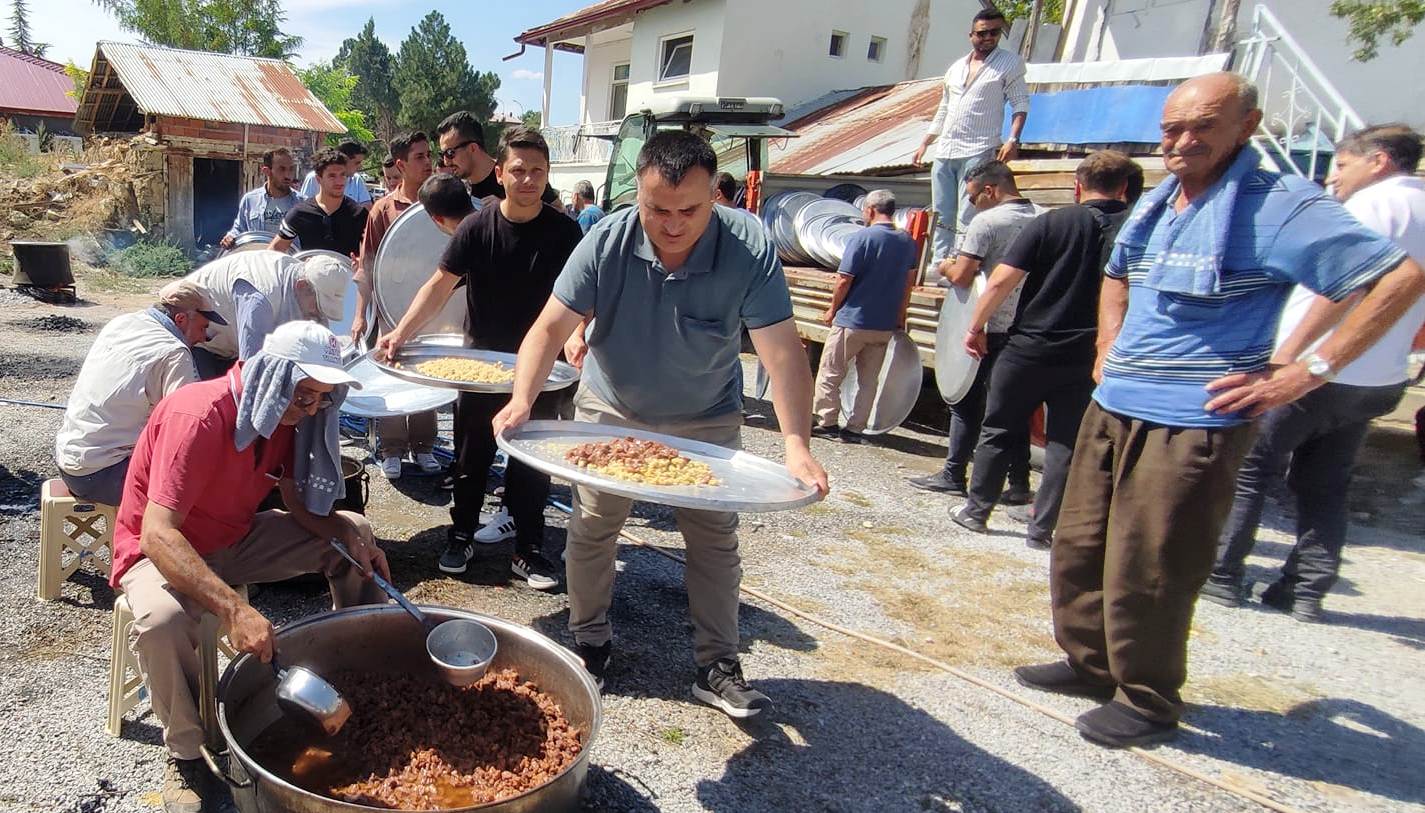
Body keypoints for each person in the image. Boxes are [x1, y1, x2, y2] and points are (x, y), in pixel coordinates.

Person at [1013, 73, 1425, 749]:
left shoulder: (1276, 204)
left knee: (1151, 563)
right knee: (1079, 543)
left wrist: (1305, 371)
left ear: (1246, 125)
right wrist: (1108, 342)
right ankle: (1089, 663)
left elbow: (1396, 277)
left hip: (1194, 414)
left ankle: (1146, 697)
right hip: (1117, 399)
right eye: (1171, 129)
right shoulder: (1159, 203)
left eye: (1201, 126)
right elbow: (1117, 271)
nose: (1181, 141)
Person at [490, 130, 829, 717]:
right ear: (637, 196)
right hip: (612, 410)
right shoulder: (606, 240)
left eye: (689, 211)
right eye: (657, 210)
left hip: (706, 417)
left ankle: (717, 664)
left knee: (714, 539)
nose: (672, 225)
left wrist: (796, 445)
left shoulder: (748, 246)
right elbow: (547, 329)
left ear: (714, 200)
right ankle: (590, 639)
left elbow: (781, 351)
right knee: (594, 527)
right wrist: (523, 399)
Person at [112, 321, 386, 813]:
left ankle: (361, 676)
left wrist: (347, 535)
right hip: (161, 549)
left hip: (233, 537)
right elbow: (158, 533)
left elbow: (297, 504)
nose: (310, 412)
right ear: (270, 377)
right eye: (303, 397)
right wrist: (235, 610)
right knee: (163, 620)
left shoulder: (279, 416)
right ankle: (188, 754)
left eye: (322, 400)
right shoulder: (200, 415)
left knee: (357, 536)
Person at [1203, 125, 1425, 621]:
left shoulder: (1374, 206)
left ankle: (1220, 574)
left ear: (1380, 161)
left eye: (1343, 165)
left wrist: (1291, 358)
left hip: (1317, 371)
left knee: (1249, 467)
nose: (1333, 178)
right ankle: (1305, 588)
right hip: (1378, 377)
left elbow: (1343, 286)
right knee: (1326, 482)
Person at [379, 129, 585, 589]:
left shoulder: (565, 232)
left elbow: (585, 295)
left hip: (544, 372)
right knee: (472, 458)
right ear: (500, 172)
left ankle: (527, 551)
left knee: (531, 462)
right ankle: (461, 535)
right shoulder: (478, 227)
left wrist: (579, 333)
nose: (527, 179)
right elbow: (438, 285)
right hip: (482, 366)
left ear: (547, 175)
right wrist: (400, 331)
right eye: (518, 170)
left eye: (537, 171)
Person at [949, 151, 1141, 548]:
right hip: (1089, 353)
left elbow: (1002, 280)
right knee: (1065, 442)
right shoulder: (1135, 230)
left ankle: (977, 510)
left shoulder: (1051, 222)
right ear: (1124, 189)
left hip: (1030, 344)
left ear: (1077, 185)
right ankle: (1042, 529)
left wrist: (975, 325)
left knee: (999, 426)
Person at [908, 160, 1036, 500]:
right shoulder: (1044, 217)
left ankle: (954, 474)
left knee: (964, 400)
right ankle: (1019, 483)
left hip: (984, 326)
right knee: (1013, 406)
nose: (970, 204)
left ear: (990, 190)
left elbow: (965, 275)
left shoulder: (988, 222)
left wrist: (946, 266)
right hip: (1026, 326)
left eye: (973, 196)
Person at [54, 282, 225, 505]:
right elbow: (185, 428)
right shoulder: (173, 352)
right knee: (208, 491)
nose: (204, 337)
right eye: (203, 328)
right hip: (106, 475)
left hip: (69, 461)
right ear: (181, 319)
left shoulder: (122, 322)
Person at [911, 8, 1029, 263]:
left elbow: (1020, 103)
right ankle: (939, 261)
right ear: (971, 35)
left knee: (969, 209)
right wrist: (925, 142)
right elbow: (944, 107)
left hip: (979, 146)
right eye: (982, 33)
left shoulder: (1010, 63)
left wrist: (1013, 139)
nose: (988, 38)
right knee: (942, 209)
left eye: (995, 33)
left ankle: (959, 260)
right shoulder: (956, 68)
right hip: (946, 148)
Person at [358, 132, 441, 480]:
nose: (428, 162)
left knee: (428, 377)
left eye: (429, 155)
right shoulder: (383, 209)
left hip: (433, 312)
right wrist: (360, 314)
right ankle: (392, 448)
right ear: (401, 164)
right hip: (391, 310)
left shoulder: (440, 203)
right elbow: (366, 264)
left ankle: (423, 446)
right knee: (392, 376)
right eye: (420, 157)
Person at [810, 189, 918, 442]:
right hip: (883, 324)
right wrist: (900, 317)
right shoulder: (907, 242)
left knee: (831, 373)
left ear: (870, 210)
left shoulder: (862, 238)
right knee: (868, 380)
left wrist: (832, 309)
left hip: (853, 320)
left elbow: (844, 280)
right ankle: (855, 428)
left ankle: (827, 423)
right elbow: (908, 284)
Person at [185, 250, 350, 377]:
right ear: (301, 287)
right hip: (197, 341)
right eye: (318, 305)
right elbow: (251, 371)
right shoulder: (260, 298)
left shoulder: (301, 279)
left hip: (232, 344)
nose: (318, 313)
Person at [435, 111, 559, 204]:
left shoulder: (517, 173)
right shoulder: (461, 190)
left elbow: (559, 213)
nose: (446, 161)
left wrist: (506, 211)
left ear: (473, 148)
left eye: (450, 153)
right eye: (443, 154)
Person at [271, 148, 369, 257]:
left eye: (343, 175)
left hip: (348, 272)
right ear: (318, 179)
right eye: (332, 176)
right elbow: (275, 250)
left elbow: (372, 254)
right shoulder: (300, 213)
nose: (339, 181)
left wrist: (361, 265)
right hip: (310, 273)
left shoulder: (359, 214)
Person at [219, 148, 303, 249]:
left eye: (291, 169)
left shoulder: (302, 203)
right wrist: (230, 236)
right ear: (266, 171)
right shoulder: (250, 200)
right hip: (258, 261)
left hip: (290, 262)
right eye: (282, 169)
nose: (288, 175)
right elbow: (239, 228)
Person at [298, 139, 373, 206]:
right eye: (357, 163)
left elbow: (367, 209)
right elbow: (305, 207)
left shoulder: (356, 180)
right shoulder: (313, 178)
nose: (360, 167)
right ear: (345, 160)